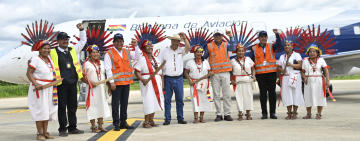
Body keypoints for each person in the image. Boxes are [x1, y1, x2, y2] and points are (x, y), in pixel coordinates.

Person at [49, 23, 87, 136]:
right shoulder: (53, 52)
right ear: (58, 41)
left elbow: (82, 41)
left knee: (72, 107)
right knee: (62, 107)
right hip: (61, 84)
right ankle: (62, 129)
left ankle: (72, 127)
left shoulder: (72, 50)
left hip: (72, 83)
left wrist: (82, 30)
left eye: (66, 39)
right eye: (63, 40)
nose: (65, 41)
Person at [104, 33, 140, 131]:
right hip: (116, 83)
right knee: (115, 105)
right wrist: (111, 82)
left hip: (126, 83)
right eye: (117, 41)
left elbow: (138, 56)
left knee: (124, 104)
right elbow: (108, 69)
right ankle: (116, 123)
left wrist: (136, 46)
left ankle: (123, 122)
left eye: (121, 41)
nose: (119, 43)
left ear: (123, 42)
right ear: (114, 43)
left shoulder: (127, 51)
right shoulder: (109, 53)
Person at [26, 41, 59, 140]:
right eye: (44, 48)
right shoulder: (35, 59)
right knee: (40, 110)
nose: (47, 50)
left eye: (48, 48)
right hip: (39, 88)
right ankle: (39, 133)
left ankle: (45, 132)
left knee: (47, 110)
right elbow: (29, 73)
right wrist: (36, 83)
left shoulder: (50, 59)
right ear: (39, 49)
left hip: (49, 87)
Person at [249, 29, 283, 119]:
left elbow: (280, 45)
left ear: (267, 38)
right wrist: (253, 74)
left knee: (272, 93)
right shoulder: (254, 48)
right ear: (259, 38)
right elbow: (251, 62)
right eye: (262, 37)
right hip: (260, 74)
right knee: (262, 94)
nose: (264, 38)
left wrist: (277, 34)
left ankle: (272, 113)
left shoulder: (271, 45)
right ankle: (264, 113)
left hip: (271, 73)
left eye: (265, 37)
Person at [202, 29, 236, 121]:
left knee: (227, 94)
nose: (217, 36)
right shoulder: (209, 46)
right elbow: (204, 59)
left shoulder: (226, 44)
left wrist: (231, 37)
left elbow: (233, 48)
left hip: (225, 72)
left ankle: (227, 114)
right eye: (216, 35)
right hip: (214, 73)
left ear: (222, 36)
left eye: (219, 35)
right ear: (213, 36)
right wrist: (208, 71)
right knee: (216, 94)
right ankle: (219, 114)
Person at [160, 32, 190, 125]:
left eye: (177, 41)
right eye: (174, 41)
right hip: (167, 78)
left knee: (180, 100)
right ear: (171, 41)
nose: (175, 43)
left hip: (179, 79)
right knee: (167, 100)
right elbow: (160, 66)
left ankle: (180, 118)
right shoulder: (164, 51)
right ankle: (167, 119)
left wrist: (184, 37)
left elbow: (188, 47)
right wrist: (162, 82)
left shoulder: (181, 50)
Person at [81, 45, 111, 132]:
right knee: (93, 106)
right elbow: (82, 77)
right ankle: (94, 127)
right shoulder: (86, 64)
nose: (95, 54)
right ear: (90, 54)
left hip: (101, 88)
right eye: (93, 52)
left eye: (97, 52)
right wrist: (89, 83)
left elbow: (105, 75)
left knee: (101, 105)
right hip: (91, 89)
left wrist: (108, 86)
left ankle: (100, 126)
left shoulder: (102, 62)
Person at [185, 46, 214, 123]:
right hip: (194, 83)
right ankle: (195, 118)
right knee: (195, 101)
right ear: (194, 53)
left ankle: (201, 117)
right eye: (197, 52)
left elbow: (209, 71)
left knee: (203, 100)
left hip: (204, 83)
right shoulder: (190, 62)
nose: (199, 54)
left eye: (201, 52)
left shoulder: (205, 62)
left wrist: (211, 73)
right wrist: (190, 80)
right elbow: (186, 72)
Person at [277, 40, 304, 119]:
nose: (287, 47)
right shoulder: (282, 56)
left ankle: (295, 113)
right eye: (285, 45)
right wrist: (282, 70)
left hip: (295, 76)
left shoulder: (297, 55)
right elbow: (278, 67)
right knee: (287, 95)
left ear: (292, 47)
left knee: (296, 94)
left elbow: (300, 66)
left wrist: (291, 65)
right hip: (286, 77)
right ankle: (289, 113)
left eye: (289, 45)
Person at [301, 46, 330, 119]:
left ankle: (319, 114)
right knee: (308, 97)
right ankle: (308, 114)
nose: (312, 53)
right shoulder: (305, 61)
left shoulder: (321, 60)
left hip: (319, 80)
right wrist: (304, 78)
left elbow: (326, 70)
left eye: (314, 51)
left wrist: (327, 81)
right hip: (309, 81)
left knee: (320, 97)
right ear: (308, 53)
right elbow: (302, 72)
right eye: (310, 52)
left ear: (317, 53)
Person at [230, 44, 256, 120]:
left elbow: (253, 69)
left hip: (248, 81)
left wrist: (254, 76)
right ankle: (240, 114)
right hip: (238, 82)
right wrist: (231, 79)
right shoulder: (233, 61)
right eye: (239, 51)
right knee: (239, 98)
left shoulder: (248, 59)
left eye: (242, 51)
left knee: (248, 97)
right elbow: (229, 71)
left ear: (244, 52)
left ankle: (248, 114)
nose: (241, 52)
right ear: (236, 52)